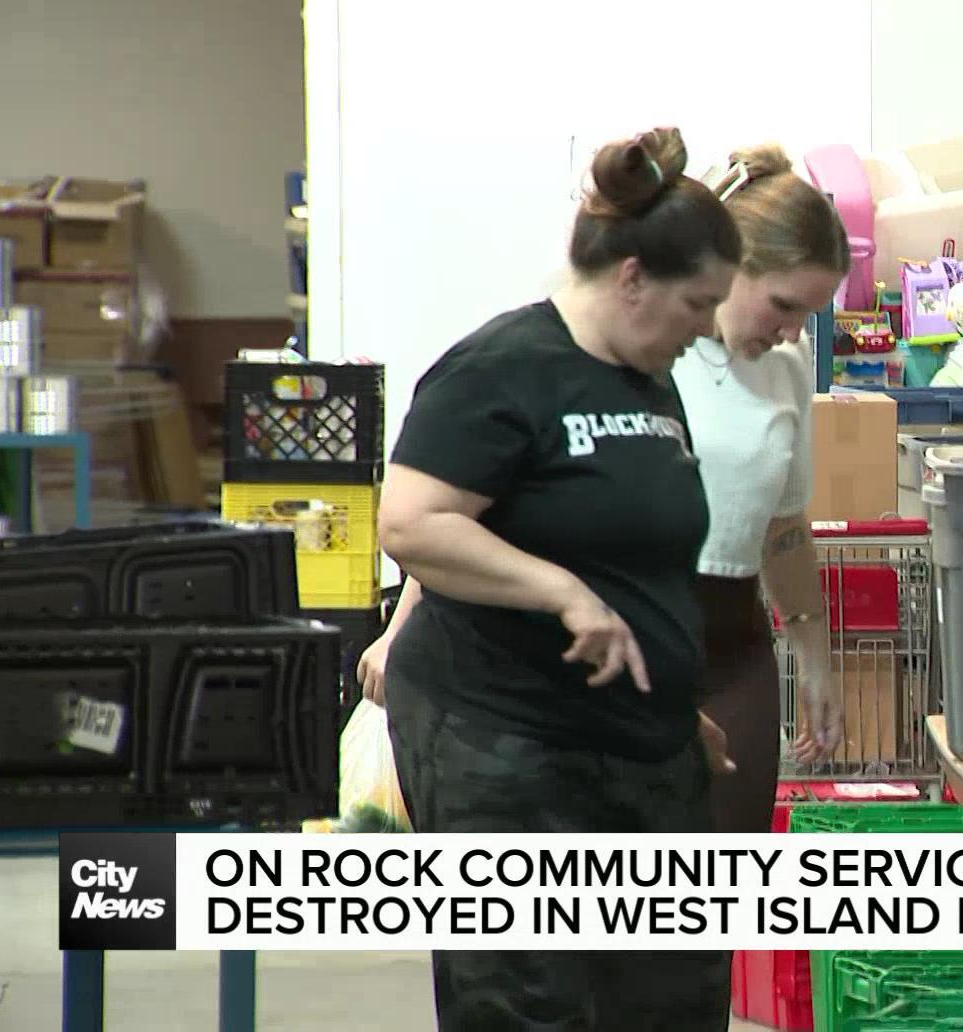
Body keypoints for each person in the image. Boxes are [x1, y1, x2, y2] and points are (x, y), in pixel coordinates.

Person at [364, 126, 741, 1031]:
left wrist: (666, 691)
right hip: (504, 743)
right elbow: (411, 526)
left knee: (672, 997)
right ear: (632, 278)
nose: (707, 330)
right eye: (699, 304)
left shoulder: (646, 379)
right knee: (530, 1001)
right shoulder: (498, 371)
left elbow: (636, 552)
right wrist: (564, 593)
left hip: (636, 746)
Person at [671, 145, 852, 835]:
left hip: (734, 638)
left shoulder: (788, 360)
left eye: (809, 314)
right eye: (782, 305)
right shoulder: (655, 345)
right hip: (634, 629)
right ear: (728, 265)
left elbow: (783, 524)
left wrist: (815, 658)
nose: (791, 330)